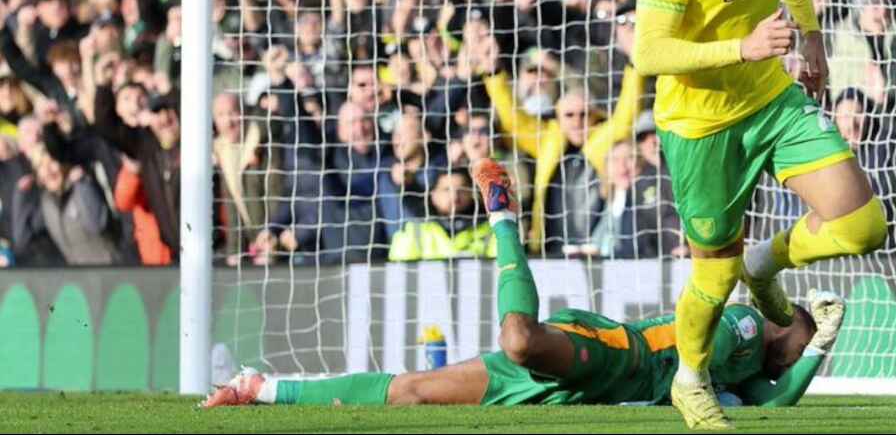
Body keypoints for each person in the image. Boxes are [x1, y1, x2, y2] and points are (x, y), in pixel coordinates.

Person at [631, 0, 886, 428]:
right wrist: (742, 47)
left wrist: (812, 35)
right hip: (700, 124)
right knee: (711, 278)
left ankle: (764, 261)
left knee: (861, 228)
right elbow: (650, 54)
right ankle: (691, 379)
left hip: (771, 100)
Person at [205, 158, 844, 410]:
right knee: (517, 340)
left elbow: (773, 401)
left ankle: (260, 388)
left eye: (791, 334)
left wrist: (815, 352)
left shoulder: (753, 368)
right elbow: (770, 396)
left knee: (414, 393)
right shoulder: (744, 327)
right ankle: (503, 215)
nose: (775, 324)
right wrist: (803, 340)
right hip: (621, 358)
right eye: (795, 336)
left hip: (586, 396)